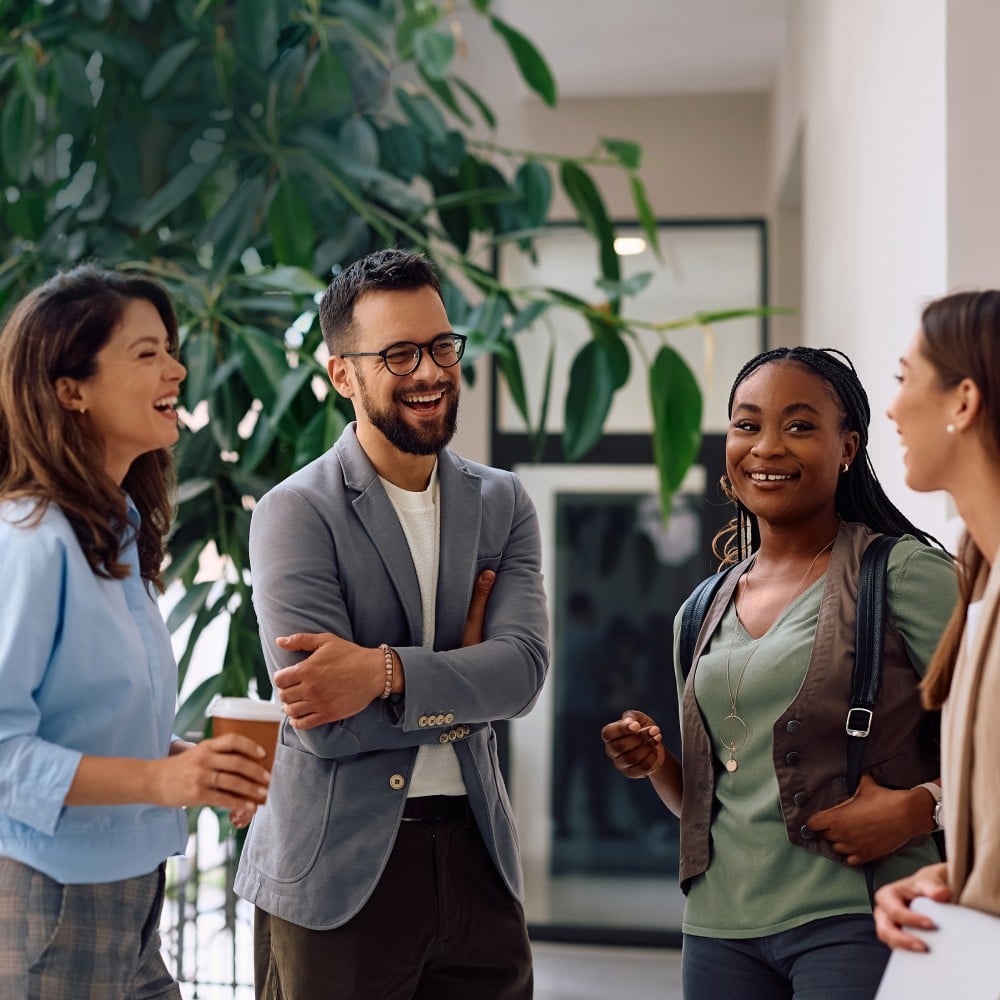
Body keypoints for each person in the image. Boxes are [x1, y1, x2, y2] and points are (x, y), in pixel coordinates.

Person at [233, 248, 549, 1000]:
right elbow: (324, 726)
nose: (431, 372)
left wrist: (384, 673)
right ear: (343, 373)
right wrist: (461, 687)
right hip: (337, 879)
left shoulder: (503, 503)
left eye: (442, 346)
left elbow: (524, 671)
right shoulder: (295, 512)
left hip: (478, 865)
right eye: (399, 353)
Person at [602, 346, 957, 999]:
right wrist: (657, 763)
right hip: (717, 928)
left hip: (859, 918)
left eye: (798, 426)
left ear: (846, 446)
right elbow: (711, 803)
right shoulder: (700, 609)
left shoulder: (901, 573)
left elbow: (990, 734)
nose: (766, 447)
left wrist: (920, 809)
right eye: (746, 424)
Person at [0, 265, 272, 999]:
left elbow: (87, 728)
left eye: (170, 350)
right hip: (50, 901)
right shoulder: (31, 540)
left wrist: (193, 767)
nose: (177, 369)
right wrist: (159, 779)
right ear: (70, 388)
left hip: (134, 896)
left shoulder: (118, 536)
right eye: (146, 352)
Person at [875, 290, 1000, 950]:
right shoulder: (975, 571)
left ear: (963, 401)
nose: (891, 409)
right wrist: (954, 875)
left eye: (904, 378)